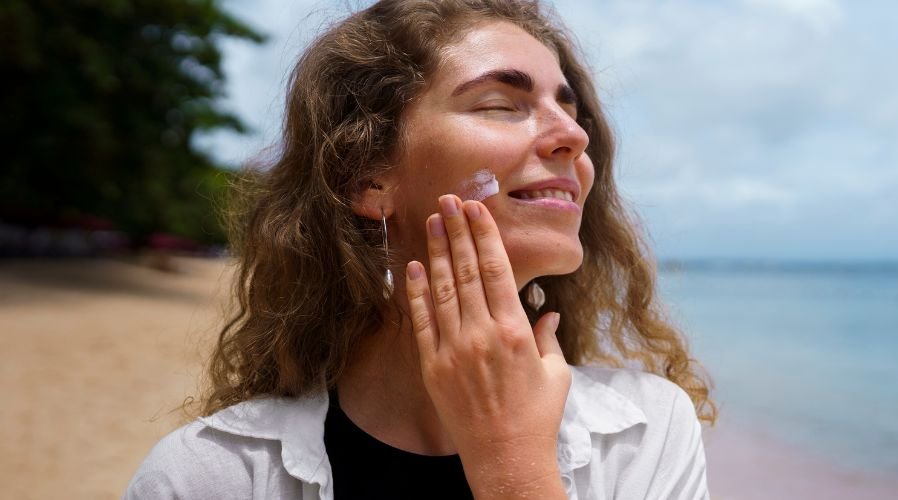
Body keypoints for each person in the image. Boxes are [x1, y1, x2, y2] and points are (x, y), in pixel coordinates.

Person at [125, 0, 716, 498]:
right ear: (367, 177)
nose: (575, 135)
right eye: (501, 104)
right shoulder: (207, 476)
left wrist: (510, 461)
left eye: (570, 107)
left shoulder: (647, 434)